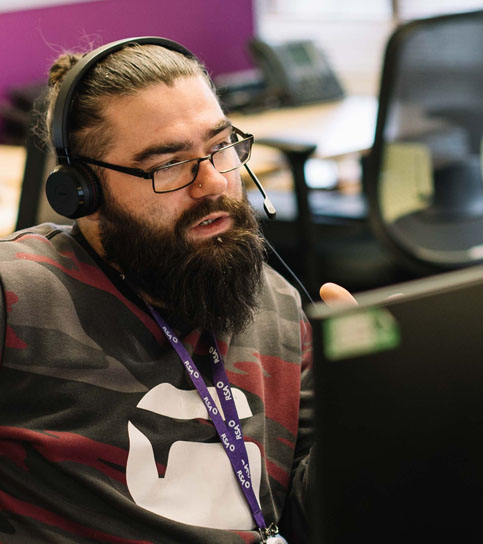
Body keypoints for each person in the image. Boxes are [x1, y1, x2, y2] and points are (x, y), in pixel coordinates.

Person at [0, 37, 355, 543]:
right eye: (168, 164)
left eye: (221, 147)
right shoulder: (19, 296)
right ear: (82, 192)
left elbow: (301, 520)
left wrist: (366, 409)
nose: (212, 182)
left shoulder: (273, 302)